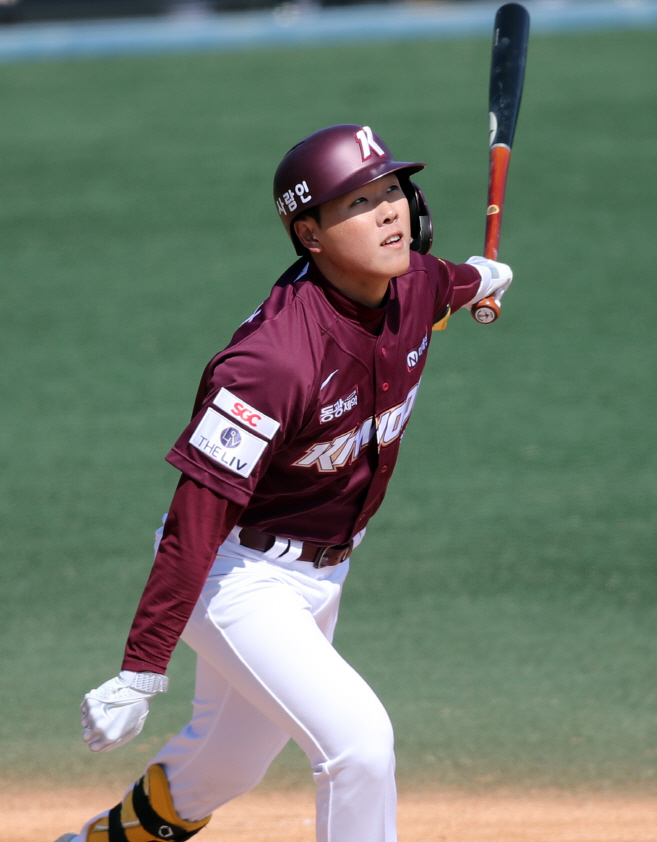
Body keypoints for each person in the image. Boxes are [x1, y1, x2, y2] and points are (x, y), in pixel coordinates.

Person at [54, 123, 512, 842]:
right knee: (359, 746)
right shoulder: (271, 363)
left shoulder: (414, 283)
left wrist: (486, 277)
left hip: (321, 575)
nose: (390, 210)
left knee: (223, 768)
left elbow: (447, 284)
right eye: (359, 202)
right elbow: (194, 517)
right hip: (235, 575)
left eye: (392, 190)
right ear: (311, 235)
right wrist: (142, 668)